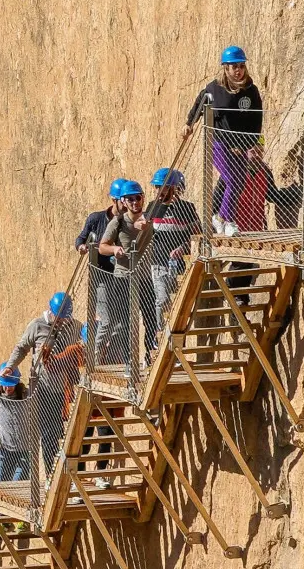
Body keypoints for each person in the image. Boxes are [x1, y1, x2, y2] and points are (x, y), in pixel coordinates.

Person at [185, 45, 267, 233]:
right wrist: (189, 123)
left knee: (240, 181)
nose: (238, 71)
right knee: (232, 178)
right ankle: (229, 221)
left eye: (241, 66)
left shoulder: (251, 91)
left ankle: (220, 217)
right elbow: (199, 103)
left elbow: (257, 120)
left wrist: (247, 145)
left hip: (240, 145)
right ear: (225, 68)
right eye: (234, 66)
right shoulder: (214, 89)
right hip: (219, 143)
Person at [78, 179, 144, 366]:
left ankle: (121, 359)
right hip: (103, 277)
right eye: (124, 200)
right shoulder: (97, 219)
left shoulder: (131, 220)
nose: (128, 204)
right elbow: (81, 238)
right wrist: (82, 246)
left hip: (120, 276)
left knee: (120, 323)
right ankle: (94, 359)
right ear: (116, 200)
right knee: (107, 320)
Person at [146, 167, 201, 323]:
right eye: (157, 187)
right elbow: (145, 232)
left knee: (180, 304)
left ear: (174, 188)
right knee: (162, 300)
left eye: (162, 187)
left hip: (181, 264)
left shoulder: (187, 208)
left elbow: (197, 234)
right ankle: (160, 331)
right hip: (159, 263)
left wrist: (182, 248)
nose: (159, 191)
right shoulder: (153, 207)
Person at [0, 365, 31, 483]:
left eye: (11, 385)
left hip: (23, 451)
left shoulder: (26, 396)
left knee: (17, 483)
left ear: (17, 382)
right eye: (5, 385)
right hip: (5, 450)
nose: (8, 388)